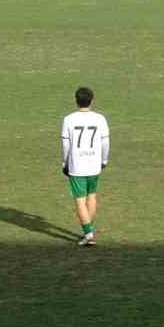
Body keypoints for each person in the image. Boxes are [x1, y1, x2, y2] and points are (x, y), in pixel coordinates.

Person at [61, 86, 111, 247]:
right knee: (92, 196)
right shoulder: (100, 118)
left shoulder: (68, 119)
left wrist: (65, 162)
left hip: (77, 164)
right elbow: (105, 142)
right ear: (92, 100)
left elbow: (65, 144)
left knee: (80, 200)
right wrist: (104, 160)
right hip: (94, 164)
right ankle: (88, 230)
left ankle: (88, 234)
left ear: (76, 100)